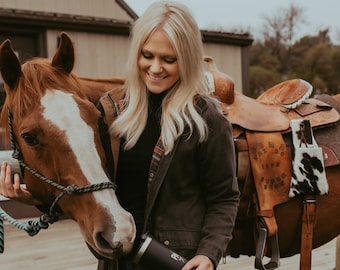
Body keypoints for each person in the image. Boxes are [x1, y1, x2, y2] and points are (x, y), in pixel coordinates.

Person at [0, 1, 240, 270]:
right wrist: (37, 200)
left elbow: (224, 198)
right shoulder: (111, 110)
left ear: (188, 59)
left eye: (169, 59)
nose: (155, 68)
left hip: (176, 262)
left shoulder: (207, 119)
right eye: (147, 55)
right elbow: (86, 184)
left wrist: (209, 254)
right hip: (118, 257)